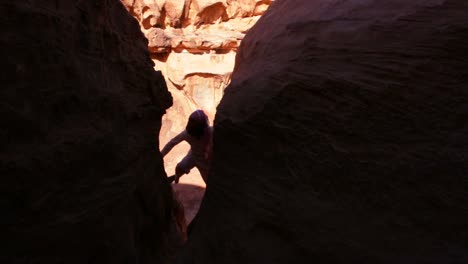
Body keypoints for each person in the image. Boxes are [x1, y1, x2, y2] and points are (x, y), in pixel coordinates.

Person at [160, 110, 213, 184]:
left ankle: (176, 178)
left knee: (209, 181)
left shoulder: (210, 132)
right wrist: (160, 156)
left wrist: (160, 156)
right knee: (179, 168)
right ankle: (176, 178)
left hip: (205, 161)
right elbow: (171, 143)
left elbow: (171, 143)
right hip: (193, 156)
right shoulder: (188, 134)